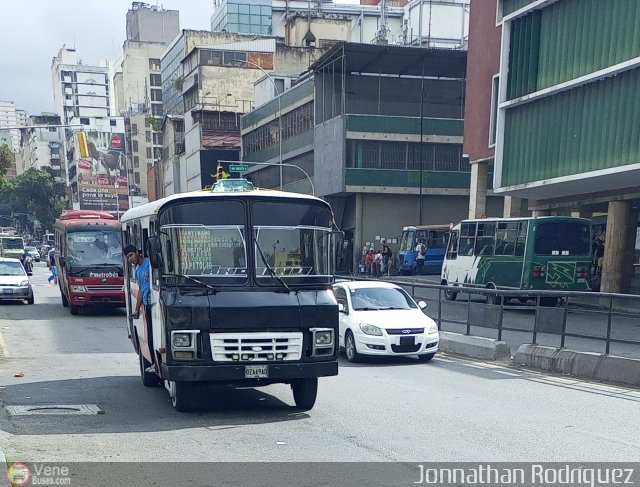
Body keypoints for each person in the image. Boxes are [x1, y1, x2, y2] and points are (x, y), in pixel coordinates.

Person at [123, 244, 155, 370]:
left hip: (154, 303)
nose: (130, 259)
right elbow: (141, 290)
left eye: (131, 255)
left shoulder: (150, 264)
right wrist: (136, 309)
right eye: (127, 258)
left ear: (137, 252)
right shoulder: (137, 271)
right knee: (150, 335)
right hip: (147, 304)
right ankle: (153, 363)